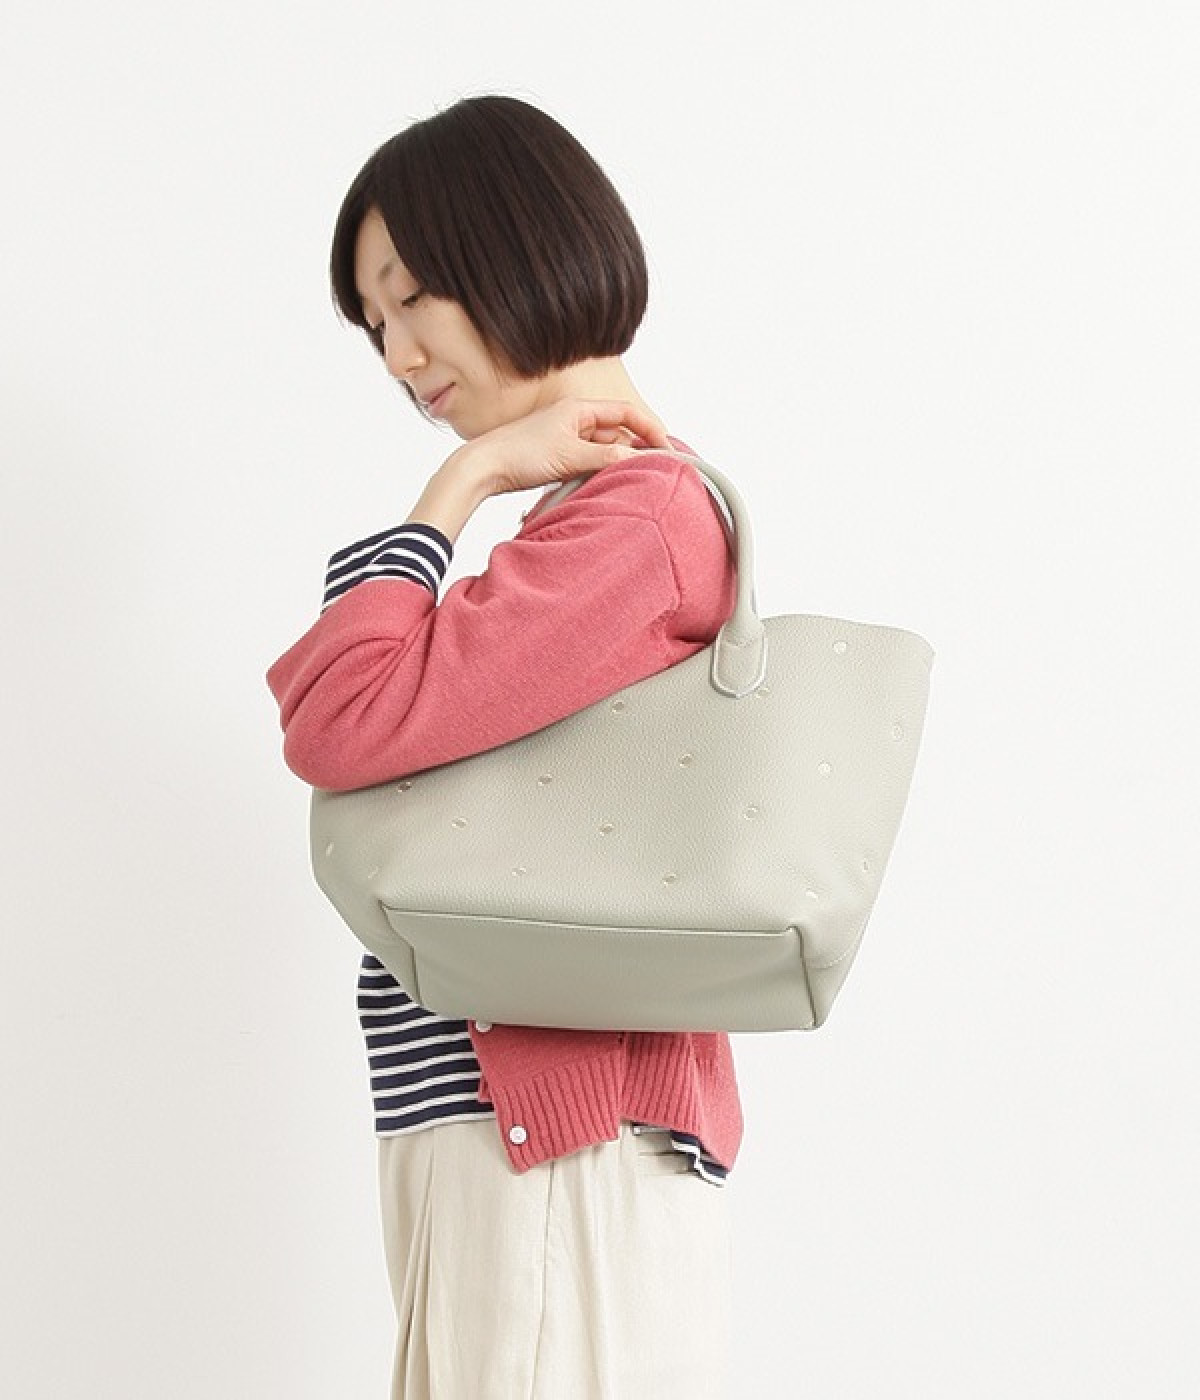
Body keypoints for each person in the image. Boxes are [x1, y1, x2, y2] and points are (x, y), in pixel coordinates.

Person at [265, 93, 745, 1399]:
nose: (398, 352)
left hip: (551, 1149)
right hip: (515, 1133)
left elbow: (342, 715)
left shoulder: (638, 523)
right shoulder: (593, 523)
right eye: (376, 324)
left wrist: (458, 485)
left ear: (521, 250)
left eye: (413, 296)